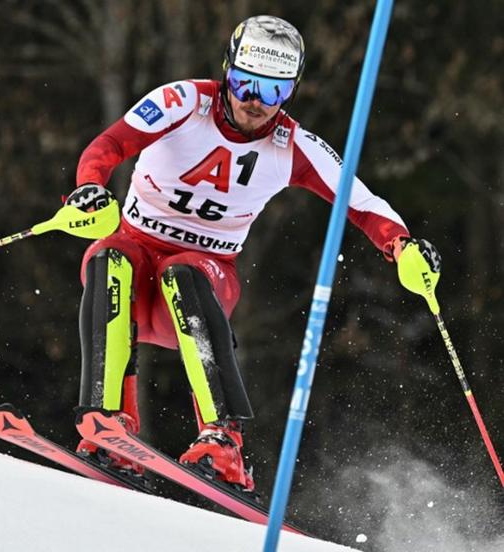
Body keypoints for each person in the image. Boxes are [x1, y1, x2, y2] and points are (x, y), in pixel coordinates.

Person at [64, 15, 440, 492]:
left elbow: (363, 203)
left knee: (184, 274)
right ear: (227, 71)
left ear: (291, 92)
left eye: (273, 91)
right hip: (135, 265)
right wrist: (90, 189)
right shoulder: (183, 101)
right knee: (108, 257)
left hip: (205, 275)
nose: (254, 102)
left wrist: (402, 247)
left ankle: (224, 443)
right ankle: (107, 423)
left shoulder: (292, 146)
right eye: (244, 83)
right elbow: (112, 143)